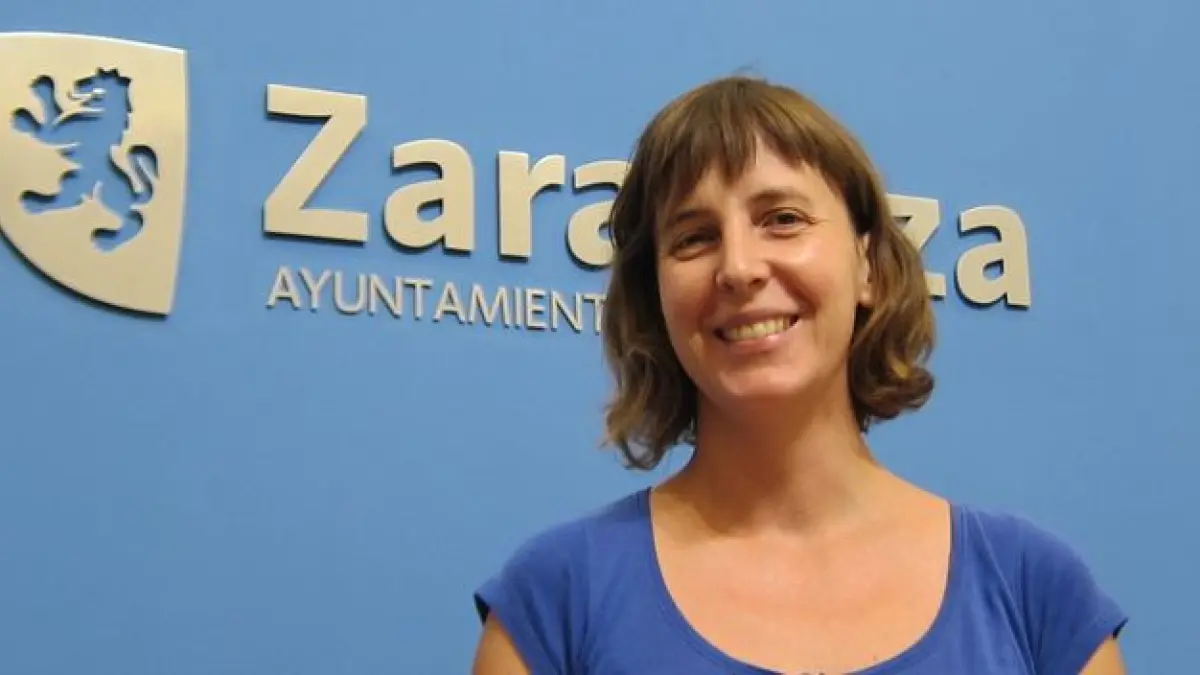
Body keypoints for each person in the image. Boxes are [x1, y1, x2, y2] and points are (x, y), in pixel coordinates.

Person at [470, 75, 1128, 674]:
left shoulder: (1035, 593)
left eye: (782, 219)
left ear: (867, 266)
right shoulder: (555, 602)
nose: (739, 268)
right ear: (657, 298)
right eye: (694, 237)